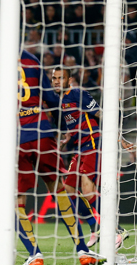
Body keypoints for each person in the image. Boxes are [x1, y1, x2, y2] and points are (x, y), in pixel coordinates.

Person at [0, 11, 105, 265]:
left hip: (13, 139)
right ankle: (83, 251)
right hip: (43, 134)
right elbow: (52, 99)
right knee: (60, 190)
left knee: (15, 200)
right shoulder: (30, 59)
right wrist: (61, 127)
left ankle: (35, 254)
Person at [52, 67, 128, 249]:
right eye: (54, 78)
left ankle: (117, 230)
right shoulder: (60, 101)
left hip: (93, 144)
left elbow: (102, 115)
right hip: (79, 148)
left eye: (60, 78)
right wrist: (68, 138)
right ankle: (95, 228)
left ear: (69, 80)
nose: (56, 81)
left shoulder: (78, 94)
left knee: (88, 189)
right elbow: (74, 122)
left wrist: (120, 138)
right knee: (68, 188)